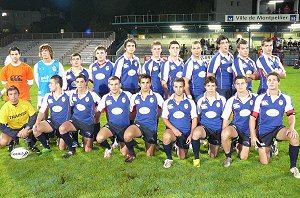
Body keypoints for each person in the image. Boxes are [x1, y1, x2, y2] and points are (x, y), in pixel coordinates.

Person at [249, 72, 300, 178]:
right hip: (263, 131)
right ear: (266, 82)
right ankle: (272, 147)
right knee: (265, 162)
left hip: (278, 129)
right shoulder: (260, 98)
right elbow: (253, 117)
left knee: (294, 137)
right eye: (269, 80)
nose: (271, 82)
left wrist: (291, 128)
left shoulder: (285, 98)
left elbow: (290, 115)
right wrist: (253, 136)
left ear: (278, 82)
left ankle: (293, 167)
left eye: (274, 80)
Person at [123, 74, 164, 162]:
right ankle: (132, 154)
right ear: (139, 84)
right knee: (127, 135)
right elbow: (131, 113)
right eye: (143, 83)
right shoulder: (134, 97)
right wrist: (128, 126)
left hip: (151, 127)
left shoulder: (157, 96)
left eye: (147, 83)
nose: (145, 85)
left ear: (150, 83)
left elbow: (165, 110)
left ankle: (153, 143)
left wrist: (157, 116)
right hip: (139, 125)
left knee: (149, 156)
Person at [59, 74, 100, 158]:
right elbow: (70, 105)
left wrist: (95, 110)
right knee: (62, 130)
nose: (79, 84)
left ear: (86, 83)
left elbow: (103, 104)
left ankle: (85, 138)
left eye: (82, 82)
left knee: (88, 150)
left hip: (87, 123)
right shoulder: (72, 94)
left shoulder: (93, 95)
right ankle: (72, 149)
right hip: (75, 121)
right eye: (77, 82)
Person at [221, 75, 257, 167]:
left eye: (242, 83)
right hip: (236, 127)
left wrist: (256, 133)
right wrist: (224, 136)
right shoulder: (231, 100)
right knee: (225, 134)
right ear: (235, 85)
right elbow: (226, 118)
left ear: (246, 84)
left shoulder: (256, 98)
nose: (240, 86)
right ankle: (228, 157)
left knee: (243, 157)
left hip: (249, 130)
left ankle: (236, 143)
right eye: (238, 84)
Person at [161, 78, 197, 168]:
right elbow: (164, 118)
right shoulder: (167, 102)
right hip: (173, 131)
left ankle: (178, 145)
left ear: (184, 87)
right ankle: (169, 159)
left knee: (182, 157)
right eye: (176, 87)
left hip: (185, 133)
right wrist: (174, 129)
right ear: (173, 87)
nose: (178, 89)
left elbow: (194, 119)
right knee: (166, 136)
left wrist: (191, 134)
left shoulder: (190, 102)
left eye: (180, 87)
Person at [191, 76, 226, 167]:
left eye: (213, 85)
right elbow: (198, 115)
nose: (210, 88)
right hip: (205, 127)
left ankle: (209, 143)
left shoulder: (222, 99)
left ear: (216, 86)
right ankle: (196, 159)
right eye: (208, 85)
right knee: (196, 133)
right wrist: (195, 129)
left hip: (217, 129)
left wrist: (223, 132)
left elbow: (225, 117)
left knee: (213, 156)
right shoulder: (199, 99)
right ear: (205, 87)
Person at [32, 75, 71, 154]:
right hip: (53, 122)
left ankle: (66, 136)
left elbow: (80, 91)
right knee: (35, 129)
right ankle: (47, 147)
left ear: (57, 84)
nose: (49, 85)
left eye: (51, 83)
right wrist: (36, 123)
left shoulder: (68, 95)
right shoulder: (47, 96)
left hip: (64, 125)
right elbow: (41, 111)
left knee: (62, 148)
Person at [96, 76, 132, 158]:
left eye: (116, 84)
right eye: (111, 84)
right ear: (109, 85)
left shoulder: (128, 95)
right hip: (112, 125)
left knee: (124, 154)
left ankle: (121, 140)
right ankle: (108, 148)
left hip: (124, 127)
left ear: (120, 85)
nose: (114, 87)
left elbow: (134, 108)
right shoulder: (106, 97)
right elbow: (98, 109)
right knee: (99, 138)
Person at [0, 86, 39, 152]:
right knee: (3, 142)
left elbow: (33, 116)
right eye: (11, 94)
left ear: (18, 94)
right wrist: (16, 133)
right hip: (12, 128)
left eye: (15, 93)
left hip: (25, 127)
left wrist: (27, 129)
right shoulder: (4, 108)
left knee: (38, 126)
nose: (13, 96)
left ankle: (30, 141)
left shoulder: (26, 103)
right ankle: (13, 140)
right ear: (8, 96)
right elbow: (2, 126)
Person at [34, 44, 66, 108]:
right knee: (42, 113)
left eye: (46, 50)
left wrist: (62, 89)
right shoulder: (37, 65)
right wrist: (42, 88)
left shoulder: (57, 64)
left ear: (50, 52)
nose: (44, 52)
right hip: (42, 93)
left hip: (56, 93)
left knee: (56, 111)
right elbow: (37, 80)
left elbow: (63, 77)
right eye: (42, 51)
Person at [207, 35, 234, 99]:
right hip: (221, 89)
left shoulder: (231, 56)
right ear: (219, 45)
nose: (225, 45)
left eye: (226, 42)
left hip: (232, 88)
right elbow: (210, 75)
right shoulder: (216, 58)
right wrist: (213, 89)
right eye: (222, 43)